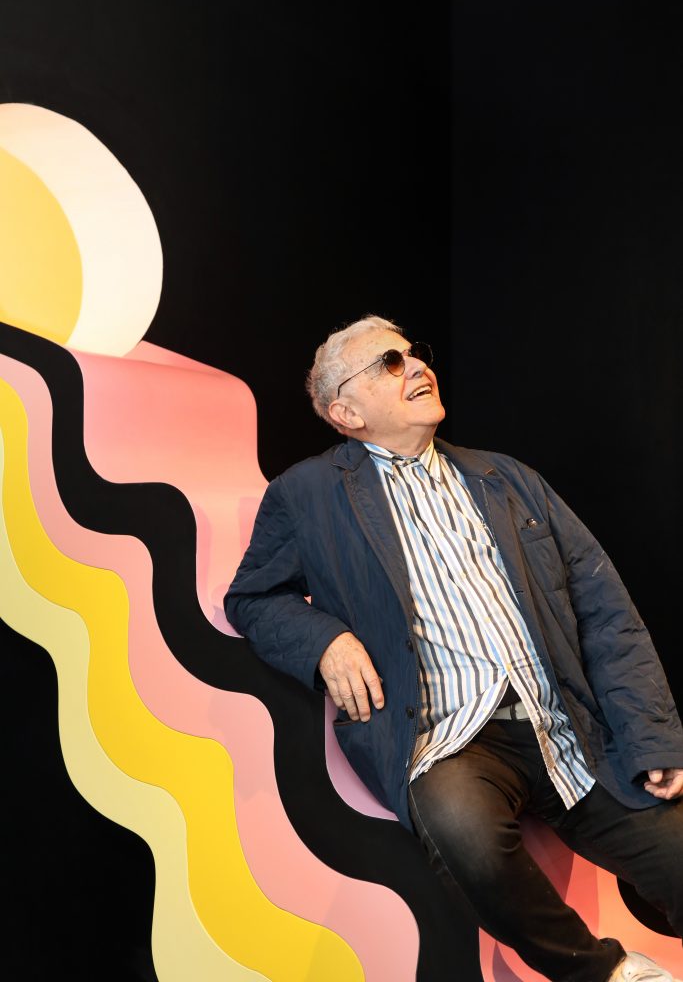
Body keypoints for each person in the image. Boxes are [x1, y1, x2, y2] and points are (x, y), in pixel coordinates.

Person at [225, 314, 683, 982]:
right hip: (450, 742)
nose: (416, 365)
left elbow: (605, 611)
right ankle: (608, 974)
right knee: (465, 836)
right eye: (388, 362)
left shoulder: (507, 478)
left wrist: (652, 738)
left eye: (414, 353)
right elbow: (253, 598)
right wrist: (325, 640)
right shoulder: (308, 494)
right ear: (345, 413)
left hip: (565, 726)